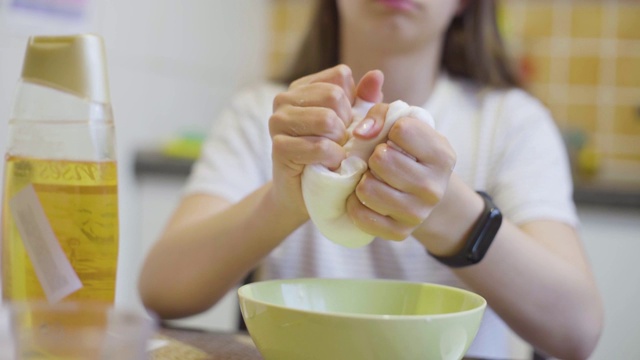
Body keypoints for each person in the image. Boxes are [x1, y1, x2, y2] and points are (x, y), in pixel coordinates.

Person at [138, 0, 603, 358]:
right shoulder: (264, 114)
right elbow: (162, 288)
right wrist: (283, 201)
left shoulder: (510, 123)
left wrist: (451, 216)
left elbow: (576, 329)